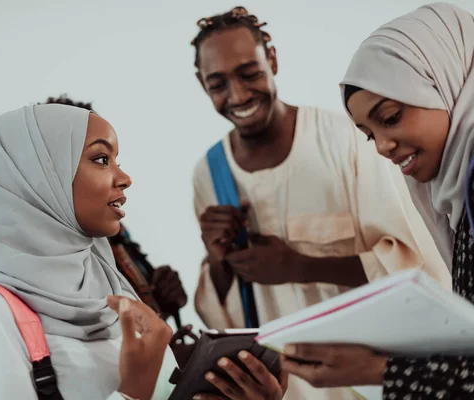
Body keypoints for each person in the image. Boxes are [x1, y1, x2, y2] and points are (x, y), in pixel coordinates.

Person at [190, 6, 452, 400]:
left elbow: (415, 269)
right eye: (217, 83)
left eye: (249, 73)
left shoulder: (350, 138)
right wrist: (218, 262)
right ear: (201, 84)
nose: (238, 95)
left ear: (272, 58)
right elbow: (223, 314)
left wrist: (299, 265)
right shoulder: (208, 174)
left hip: (375, 384)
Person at [0, 103, 284, 399]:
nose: (124, 178)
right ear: (36, 180)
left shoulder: (113, 287)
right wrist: (131, 393)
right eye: (101, 159)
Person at [280, 3, 474, 399]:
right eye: (369, 134)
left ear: (448, 81)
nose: (383, 146)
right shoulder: (459, 201)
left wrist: (380, 370)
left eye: (390, 117)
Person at [43, 94, 188, 324]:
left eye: (114, 161)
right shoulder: (43, 263)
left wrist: (160, 301)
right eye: (100, 160)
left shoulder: (115, 235)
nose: (124, 178)